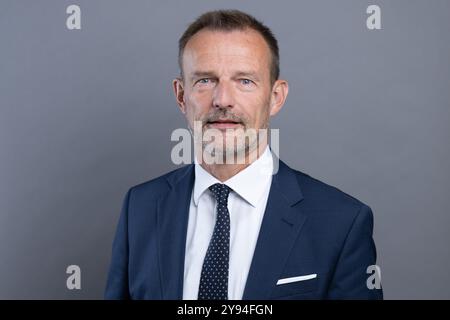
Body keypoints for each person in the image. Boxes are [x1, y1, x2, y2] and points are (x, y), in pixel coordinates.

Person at [105, 9, 383, 300]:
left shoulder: (341, 222)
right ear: (180, 96)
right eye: (205, 80)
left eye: (244, 81)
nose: (223, 100)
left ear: (275, 97)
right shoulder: (140, 208)